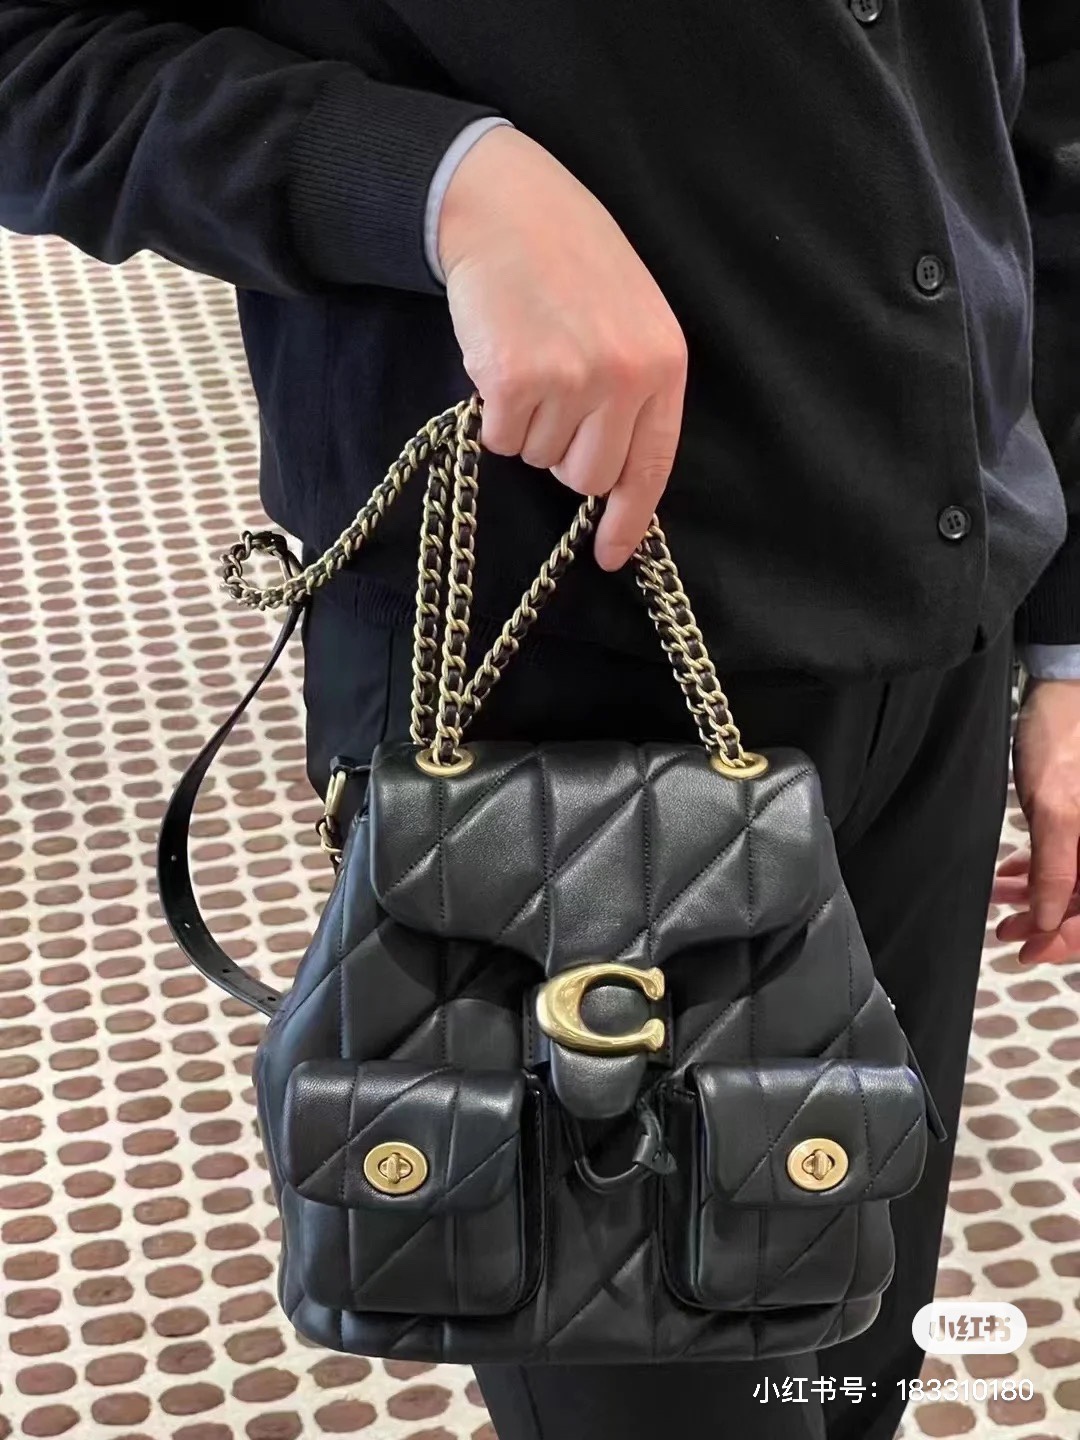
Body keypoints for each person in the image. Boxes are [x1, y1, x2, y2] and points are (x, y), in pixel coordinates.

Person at [2, 1, 1079, 1436]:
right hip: (548, 694)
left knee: (850, 1335)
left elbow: (1042, 94)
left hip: (948, 612)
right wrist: (439, 183)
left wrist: (1066, 637)